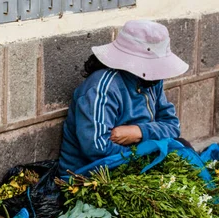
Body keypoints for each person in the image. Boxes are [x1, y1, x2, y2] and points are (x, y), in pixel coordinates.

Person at [59, 20, 190, 174]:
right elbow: (97, 148)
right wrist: (144, 151)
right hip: (93, 172)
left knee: (184, 148)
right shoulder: (101, 88)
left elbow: (173, 126)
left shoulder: (152, 81)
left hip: (133, 156)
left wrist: (138, 132)